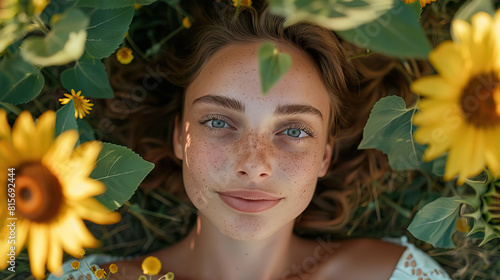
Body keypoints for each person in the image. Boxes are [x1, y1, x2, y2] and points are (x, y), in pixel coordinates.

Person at [54, 2, 451, 280]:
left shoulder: (392, 276)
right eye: (218, 121)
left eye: (295, 130)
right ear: (179, 136)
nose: (254, 163)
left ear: (325, 156)